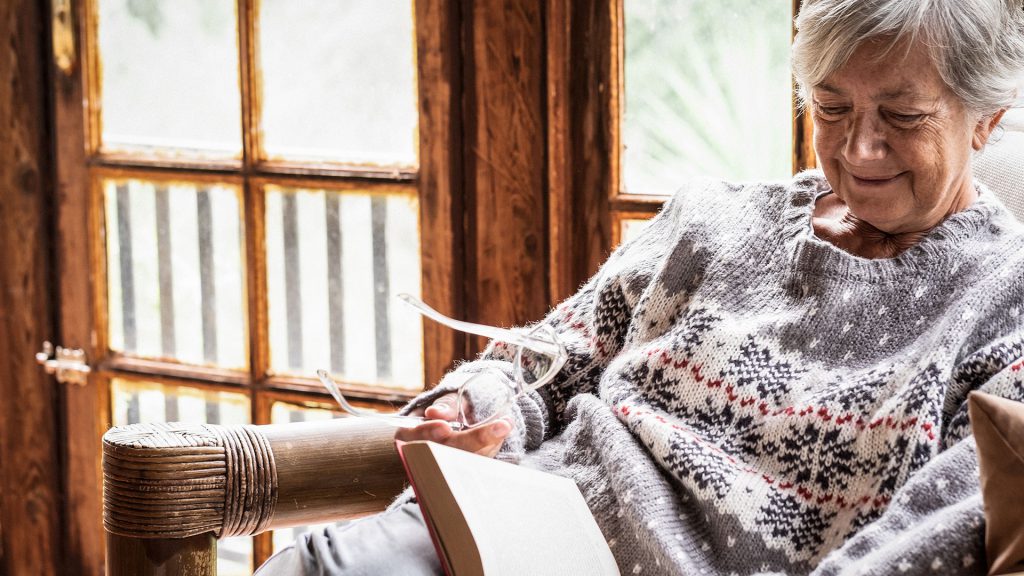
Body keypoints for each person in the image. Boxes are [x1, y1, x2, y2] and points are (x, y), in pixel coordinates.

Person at [259, 0, 1024, 573]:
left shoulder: (1006, 301)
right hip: (505, 541)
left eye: (902, 114)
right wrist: (471, 408)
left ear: (987, 118)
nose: (859, 147)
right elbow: (546, 364)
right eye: (831, 107)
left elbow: (935, 535)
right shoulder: (716, 220)